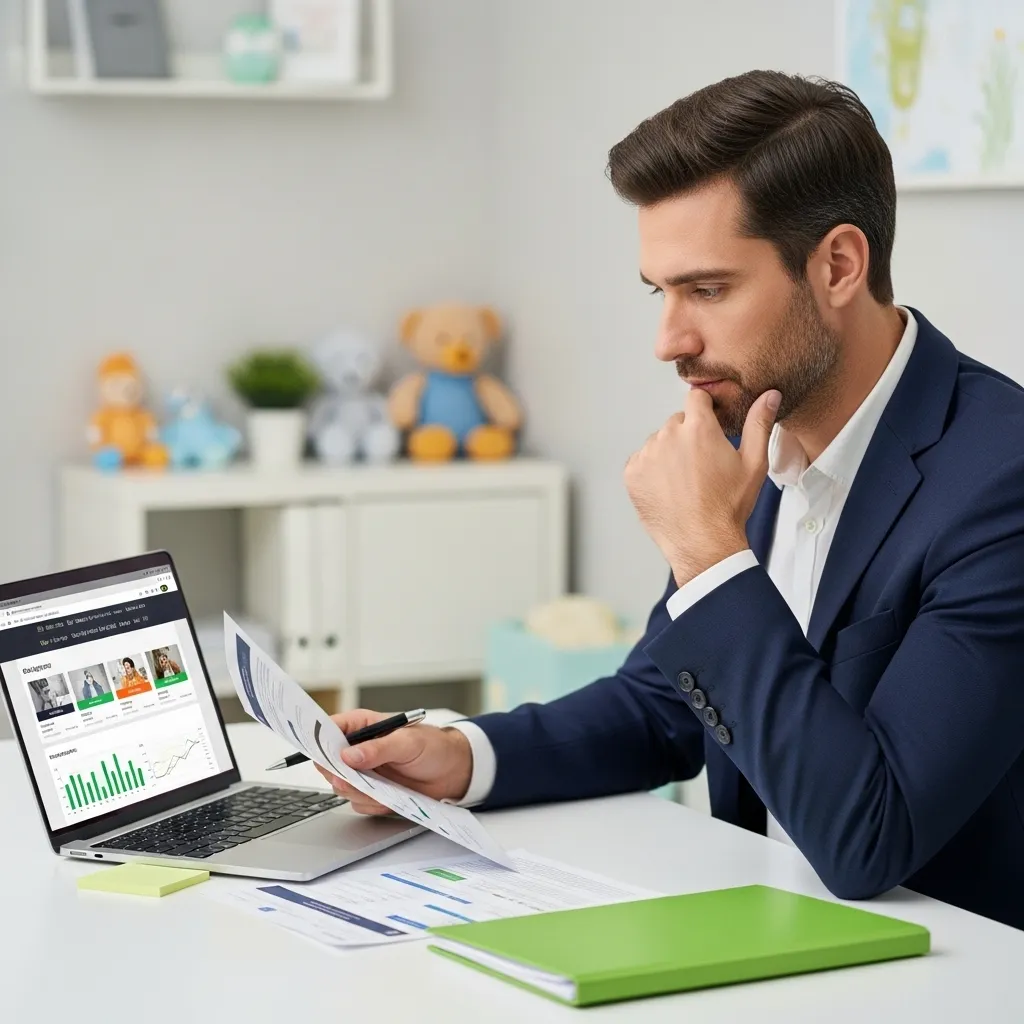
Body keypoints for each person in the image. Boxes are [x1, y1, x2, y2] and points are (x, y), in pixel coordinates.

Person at [317, 71, 1024, 932]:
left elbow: (870, 838)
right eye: (661, 292)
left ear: (839, 265)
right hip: (764, 934)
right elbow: (663, 708)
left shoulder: (1001, 481)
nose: (669, 341)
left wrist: (709, 551)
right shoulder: (755, 429)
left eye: (710, 290)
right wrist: (463, 756)